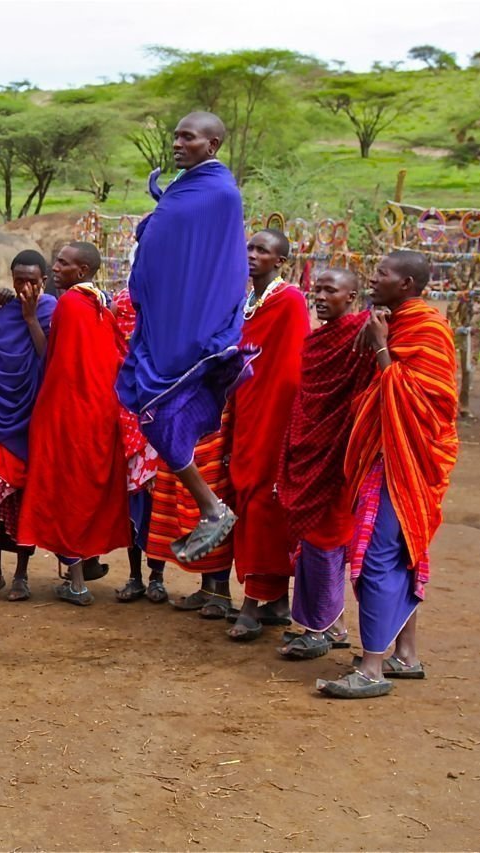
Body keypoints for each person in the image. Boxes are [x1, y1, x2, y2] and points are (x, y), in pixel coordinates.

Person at [317, 251, 458, 699]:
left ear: (408, 284)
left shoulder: (428, 328)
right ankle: (406, 655)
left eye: (383, 274)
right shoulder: (391, 320)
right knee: (400, 554)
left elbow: (422, 400)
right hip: (386, 453)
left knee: (377, 557)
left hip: (406, 461)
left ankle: (373, 669)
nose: (375, 279)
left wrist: (381, 346)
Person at [116, 111, 253, 565]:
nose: (177, 144)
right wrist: (162, 199)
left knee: (159, 416)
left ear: (212, 145)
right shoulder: (191, 188)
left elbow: (210, 259)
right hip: (165, 320)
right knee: (151, 411)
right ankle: (212, 507)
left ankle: (213, 508)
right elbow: (171, 235)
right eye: (175, 136)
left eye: (188, 138)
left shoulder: (218, 193)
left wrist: (163, 208)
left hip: (190, 324)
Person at [19, 243, 131, 607]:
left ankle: (78, 583)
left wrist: (31, 319)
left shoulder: (69, 304)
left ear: (81, 271)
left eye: (63, 263)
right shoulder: (103, 305)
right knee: (90, 488)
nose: (55, 267)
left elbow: (56, 361)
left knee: (68, 491)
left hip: (70, 413)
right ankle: (84, 567)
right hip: (101, 412)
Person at [276, 268, 375, 659]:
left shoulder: (360, 337)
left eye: (330, 291)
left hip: (336, 454)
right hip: (309, 445)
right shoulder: (318, 341)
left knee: (324, 540)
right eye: (316, 289)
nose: (319, 296)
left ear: (351, 297)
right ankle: (329, 624)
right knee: (312, 541)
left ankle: (319, 630)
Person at [225, 229, 309, 642]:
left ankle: (252, 604)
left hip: (276, 417)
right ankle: (275, 600)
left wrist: (285, 425)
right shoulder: (246, 305)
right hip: (246, 412)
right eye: (250, 248)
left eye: (263, 251)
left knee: (263, 502)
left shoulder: (289, 300)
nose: (253, 255)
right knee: (248, 499)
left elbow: (292, 370)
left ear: (280, 262)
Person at [0, 250, 55, 602]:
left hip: (32, 415)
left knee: (24, 491)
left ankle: (21, 573)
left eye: (32, 280)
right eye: (19, 279)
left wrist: (30, 317)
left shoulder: (50, 310)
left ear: (44, 282)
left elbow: (50, 357)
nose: (24, 286)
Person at [111, 279, 166, 604]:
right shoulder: (120, 301)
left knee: (156, 500)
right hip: (125, 407)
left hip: (158, 410)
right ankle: (134, 576)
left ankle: (156, 576)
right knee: (131, 496)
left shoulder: (170, 305)